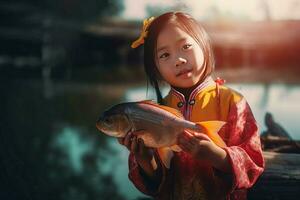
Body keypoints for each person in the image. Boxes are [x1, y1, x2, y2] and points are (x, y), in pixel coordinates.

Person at [118, 12, 265, 200]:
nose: (178, 60)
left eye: (186, 46)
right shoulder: (152, 111)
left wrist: (216, 156)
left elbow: (254, 163)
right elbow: (151, 185)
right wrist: (145, 160)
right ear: (155, 67)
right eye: (164, 55)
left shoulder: (233, 102)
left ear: (204, 45)